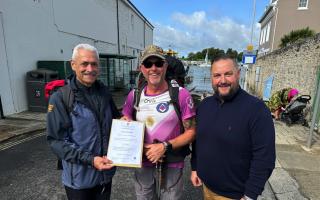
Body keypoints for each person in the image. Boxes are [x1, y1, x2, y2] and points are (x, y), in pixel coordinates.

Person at [190, 54, 275, 200]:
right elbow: (199, 141)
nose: (222, 80)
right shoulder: (204, 105)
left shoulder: (257, 110)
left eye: (228, 74)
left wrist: (250, 195)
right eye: (217, 75)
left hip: (236, 195)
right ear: (211, 77)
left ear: (238, 74)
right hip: (206, 187)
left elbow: (264, 158)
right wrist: (195, 168)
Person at [47, 43, 121, 200]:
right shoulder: (61, 98)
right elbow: (57, 141)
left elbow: (116, 120)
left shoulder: (104, 92)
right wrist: (91, 160)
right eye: (84, 63)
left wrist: (125, 122)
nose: (90, 68)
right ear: (73, 65)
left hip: (105, 173)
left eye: (94, 64)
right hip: (79, 180)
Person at [122, 45, 196, 200]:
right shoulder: (134, 95)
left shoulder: (181, 95)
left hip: (172, 163)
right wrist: (130, 137)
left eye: (158, 63)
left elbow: (192, 132)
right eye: (148, 64)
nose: (153, 68)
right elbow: (126, 121)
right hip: (142, 162)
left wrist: (164, 146)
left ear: (165, 66)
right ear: (141, 68)